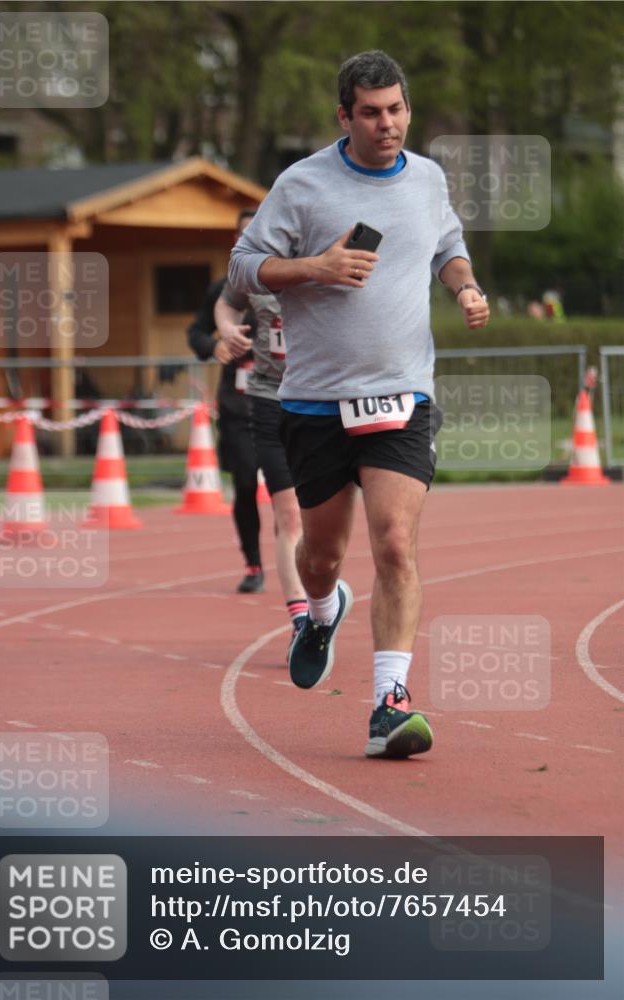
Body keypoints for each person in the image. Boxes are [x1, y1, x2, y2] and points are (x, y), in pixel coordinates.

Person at [229, 50, 490, 759]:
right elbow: (244, 265)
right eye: (370, 113)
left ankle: (388, 704)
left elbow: (447, 245)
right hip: (314, 402)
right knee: (321, 556)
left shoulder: (428, 179)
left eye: (396, 109)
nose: (387, 124)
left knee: (395, 545)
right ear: (343, 116)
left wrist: (463, 286)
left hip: (403, 395)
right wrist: (314, 266)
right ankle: (320, 610)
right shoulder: (303, 184)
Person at [214, 280, 309, 648]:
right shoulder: (256, 263)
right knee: (290, 516)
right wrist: (226, 329)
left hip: (321, 398)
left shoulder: (331, 257)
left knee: (325, 523)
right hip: (268, 399)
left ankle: (321, 602)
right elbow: (225, 301)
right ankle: (301, 621)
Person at [188, 208, 264, 594]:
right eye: (242, 234)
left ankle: (300, 556)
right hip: (238, 408)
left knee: (296, 492)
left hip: (287, 403)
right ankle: (253, 563)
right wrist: (214, 345)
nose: (248, 240)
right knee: (246, 485)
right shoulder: (223, 291)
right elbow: (195, 331)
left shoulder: (289, 286)